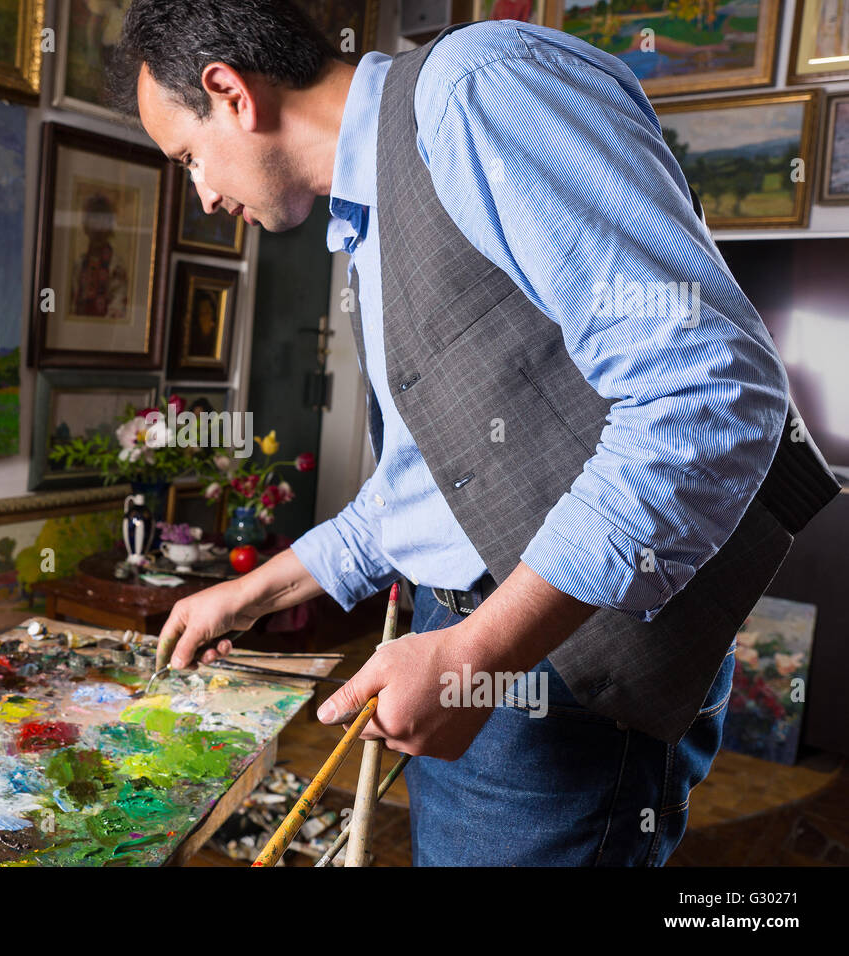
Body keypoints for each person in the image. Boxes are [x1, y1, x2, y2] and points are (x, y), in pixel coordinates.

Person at [106, 1, 840, 865]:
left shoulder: (478, 89)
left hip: (552, 670)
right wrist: (256, 591)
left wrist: (476, 654)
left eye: (189, 158)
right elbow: (434, 484)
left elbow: (705, 390)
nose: (203, 192)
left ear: (231, 92)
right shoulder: (373, 203)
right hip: (470, 650)